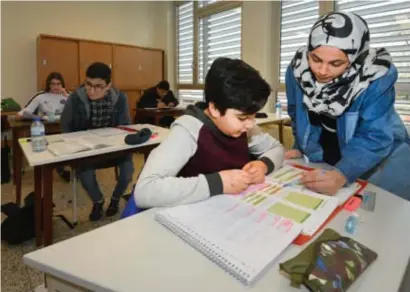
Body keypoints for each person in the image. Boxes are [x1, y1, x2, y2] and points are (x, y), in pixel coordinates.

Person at [122, 57, 284, 217]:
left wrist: (263, 165)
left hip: (225, 212)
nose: (250, 124)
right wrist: (217, 183)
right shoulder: (189, 130)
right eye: (242, 118)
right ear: (214, 109)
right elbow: (145, 190)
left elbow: (276, 148)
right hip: (186, 216)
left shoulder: (244, 127)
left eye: (253, 116)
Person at [285, 12, 410, 200]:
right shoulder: (297, 70)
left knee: (376, 216)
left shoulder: (375, 76)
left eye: (335, 63)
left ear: (355, 59)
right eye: (316, 59)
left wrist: (343, 172)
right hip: (332, 154)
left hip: (381, 160)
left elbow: (374, 136)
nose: (322, 71)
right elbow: (297, 113)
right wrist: (300, 145)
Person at [61, 62, 134, 220]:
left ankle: (115, 200)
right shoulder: (75, 98)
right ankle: (98, 201)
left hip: (115, 148)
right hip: (87, 149)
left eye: (98, 86)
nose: (92, 90)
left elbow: (126, 125)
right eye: (88, 84)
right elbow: (65, 127)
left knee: (128, 173)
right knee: (85, 175)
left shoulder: (120, 98)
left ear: (108, 85)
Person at [17, 72, 71, 182]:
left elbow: (79, 109)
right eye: (53, 84)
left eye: (58, 84)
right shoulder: (41, 96)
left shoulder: (67, 95)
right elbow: (24, 112)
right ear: (48, 84)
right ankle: (55, 168)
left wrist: (66, 95)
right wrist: (21, 115)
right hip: (45, 128)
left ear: (62, 84)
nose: (56, 87)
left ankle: (61, 167)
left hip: (63, 128)